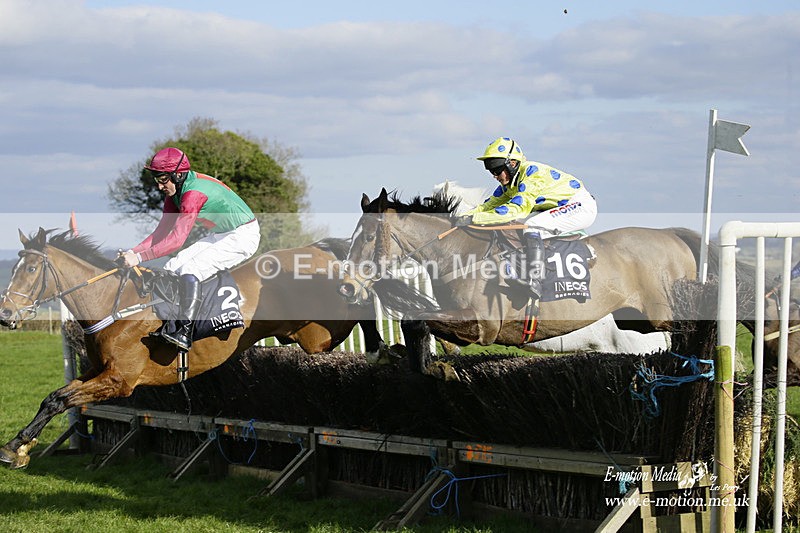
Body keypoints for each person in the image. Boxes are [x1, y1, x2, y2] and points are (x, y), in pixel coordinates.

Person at [118, 147, 261, 350]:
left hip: (243, 236)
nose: (159, 186)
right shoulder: (174, 192)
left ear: (178, 175)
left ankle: (185, 332)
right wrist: (133, 252)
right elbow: (161, 232)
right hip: (222, 233)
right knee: (171, 267)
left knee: (190, 270)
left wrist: (140, 259)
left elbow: (176, 240)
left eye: (163, 179)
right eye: (157, 179)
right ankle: (170, 325)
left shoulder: (192, 194)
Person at [458, 136, 597, 301]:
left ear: (512, 163)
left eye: (497, 169)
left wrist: (475, 219)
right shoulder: (510, 184)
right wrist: (463, 216)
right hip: (560, 208)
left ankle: (535, 280)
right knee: (517, 225)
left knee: (532, 225)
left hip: (580, 206)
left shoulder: (532, 175)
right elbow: (488, 205)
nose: (494, 176)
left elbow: (514, 210)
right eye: (491, 171)